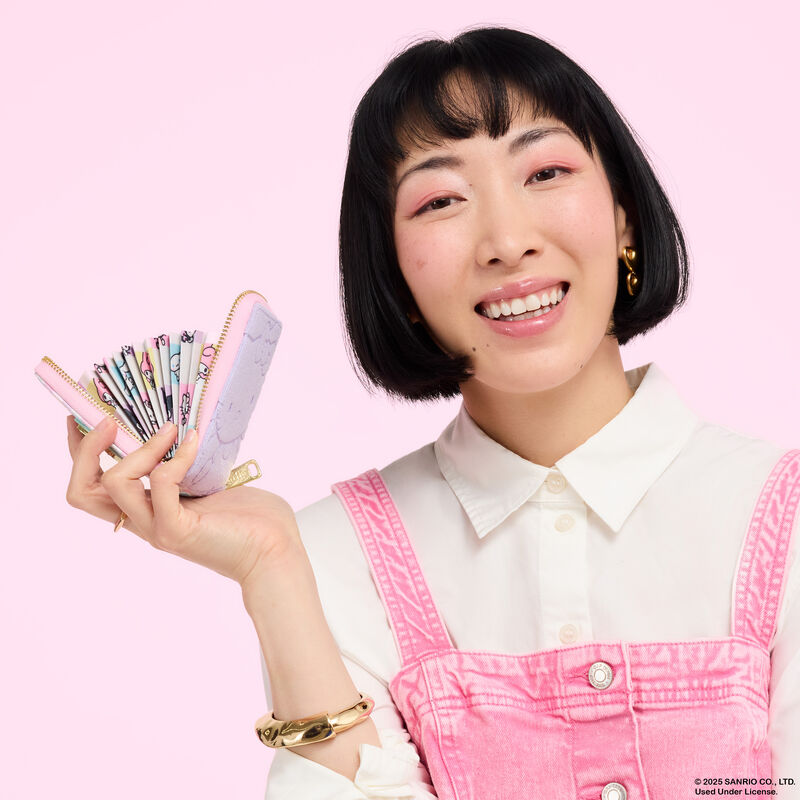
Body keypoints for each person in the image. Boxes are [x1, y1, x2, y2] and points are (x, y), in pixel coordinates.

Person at [64, 26, 800, 800]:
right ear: (394, 275)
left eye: (546, 171)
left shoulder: (781, 519)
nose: (507, 242)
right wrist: (272, 568)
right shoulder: (331, 556)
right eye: (441, 200)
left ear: (622, 214)